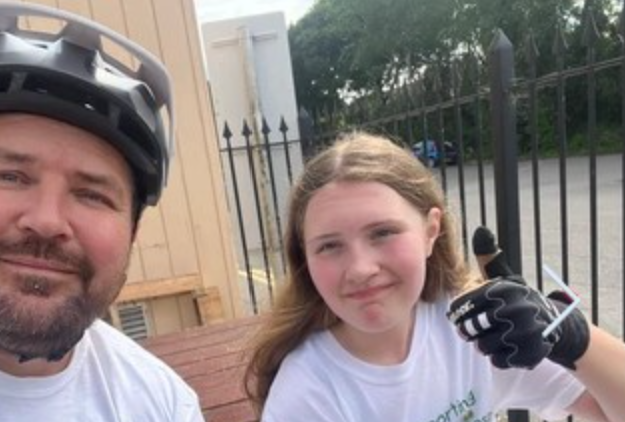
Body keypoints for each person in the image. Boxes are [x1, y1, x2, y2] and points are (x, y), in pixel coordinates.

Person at [0, 2, 204, 421]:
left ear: (133, 232)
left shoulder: (162, 407)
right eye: (10, 176)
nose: (47, 221)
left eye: (92, 195)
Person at [243, 133, 625, 421]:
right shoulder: (307, 396)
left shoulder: (473, 330)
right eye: (329, 246)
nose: (360, 268)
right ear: (305, 259)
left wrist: (576, 340)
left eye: (382, 232)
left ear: (431, 231)